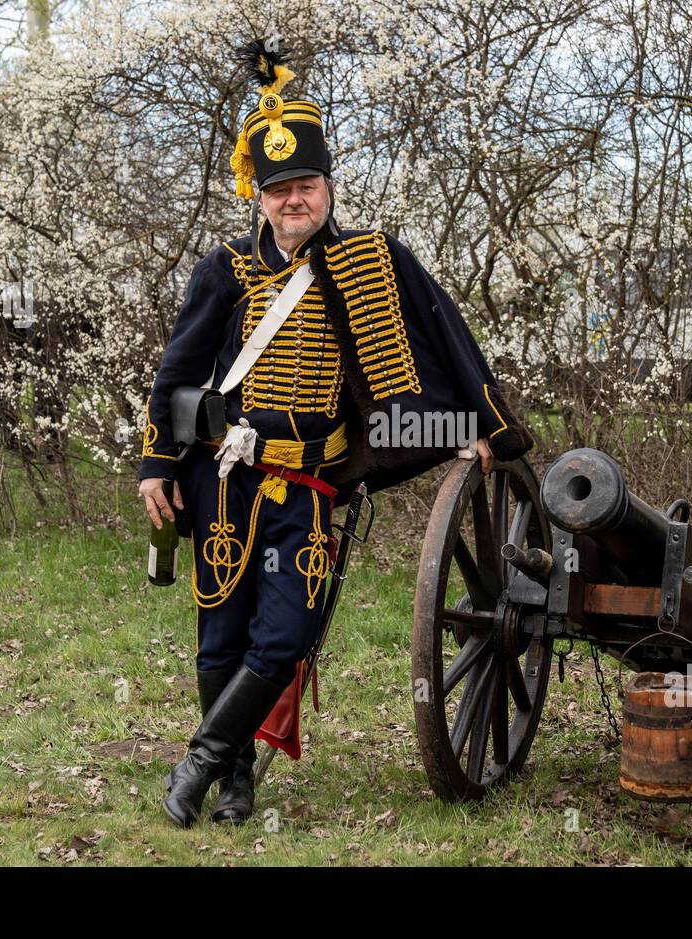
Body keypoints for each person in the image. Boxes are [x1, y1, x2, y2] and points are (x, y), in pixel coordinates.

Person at [137, 37, 534, 828]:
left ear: (327, 187)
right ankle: (237, 780)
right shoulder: (226, 270)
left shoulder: (368, 261)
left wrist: (476, 426)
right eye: (280, 188)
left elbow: (440, 340)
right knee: (222, 634)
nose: (295, 200)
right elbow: (176, 370)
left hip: (311, 488)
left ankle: (198, 764)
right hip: (227, 482)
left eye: (307, 185)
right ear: (260, 195)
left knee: (284, 635)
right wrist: (155, 464)